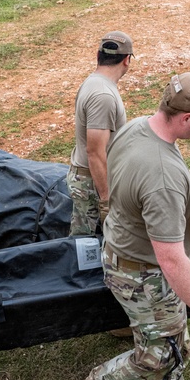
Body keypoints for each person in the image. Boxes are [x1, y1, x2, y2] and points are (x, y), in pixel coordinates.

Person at [54, 73, 190, 380]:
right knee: (155, 354)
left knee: (174, 340)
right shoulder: (163, 177)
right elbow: (170, 258)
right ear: (186, 117)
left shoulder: (138, 127)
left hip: (124, 251)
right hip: (142, 273)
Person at [67, 31, 133, 237]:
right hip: (93, 185)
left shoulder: (95, 83)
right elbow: (95, 152)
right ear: (127, 60)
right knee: (85, 248)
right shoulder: (103, 95)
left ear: (98, 56)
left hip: (90, 180)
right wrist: (106, 200)